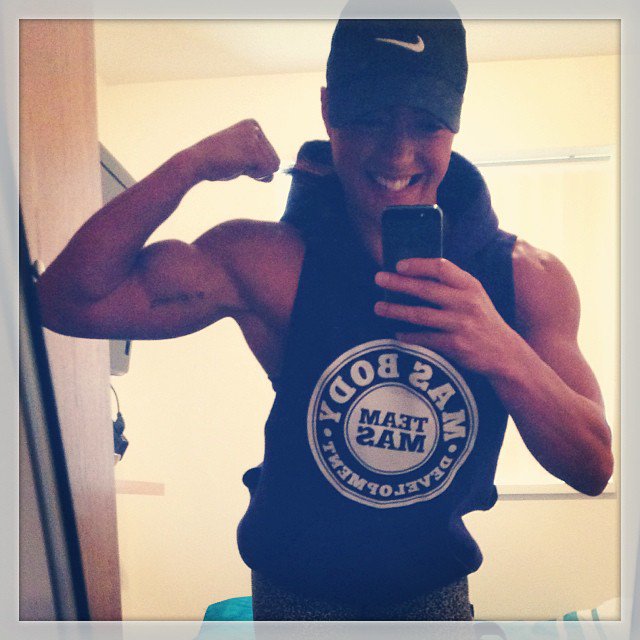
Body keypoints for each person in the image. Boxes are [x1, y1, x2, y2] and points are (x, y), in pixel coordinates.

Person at [36, 8, 613, 622]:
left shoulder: (527, 279)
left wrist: (501, 349)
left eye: (426, 123)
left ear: (454, 125)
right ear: (329, 110)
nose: (398, 152)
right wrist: (191, 165)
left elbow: (592, 467)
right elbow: (67, 302)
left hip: (434, 601)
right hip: (292, 599)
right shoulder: (268, 261)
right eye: (370, 118)